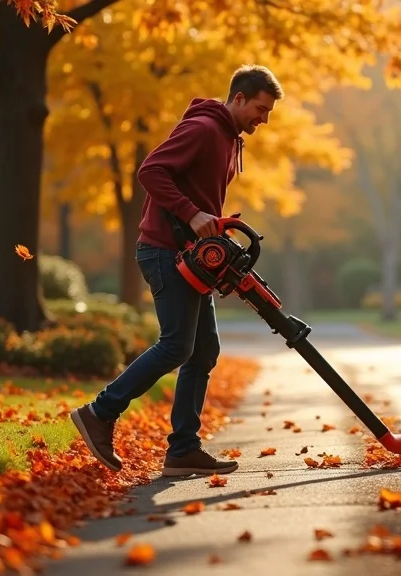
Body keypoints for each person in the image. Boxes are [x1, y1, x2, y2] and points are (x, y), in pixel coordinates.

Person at [69, 64, 283, 476]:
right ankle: (99, 412)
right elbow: (150, 171)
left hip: (191, 257)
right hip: (164, 252)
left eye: (269, 112)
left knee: (203, 351)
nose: (263, 119)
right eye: (260, 108)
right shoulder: (204, 128)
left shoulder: (227, 137)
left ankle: (183, 449)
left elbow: (195, 194)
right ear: (238, 98)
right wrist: (191, 212)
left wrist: (211, 223)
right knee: (177, 346)